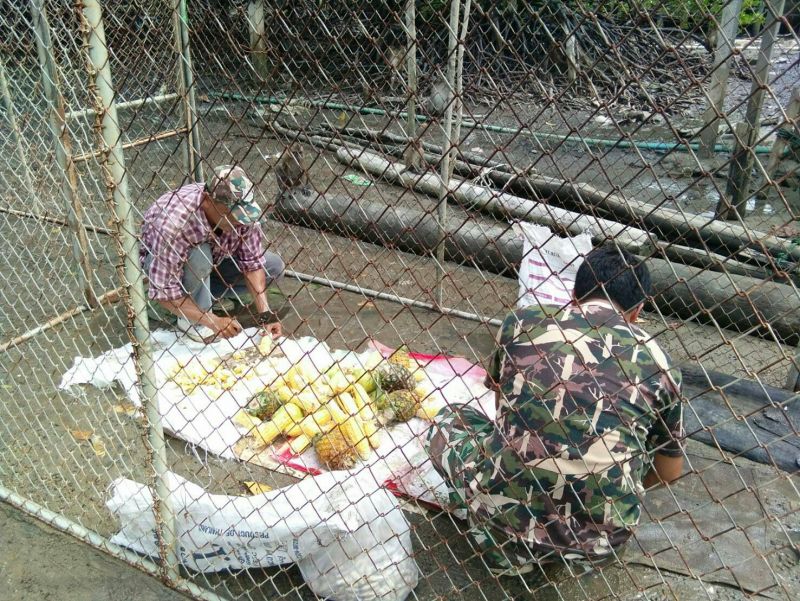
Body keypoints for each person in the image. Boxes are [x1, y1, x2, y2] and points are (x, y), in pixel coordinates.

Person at [425, 246, 684, 580]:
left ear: (574, 296)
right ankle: (571, 541)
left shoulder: (524, 322)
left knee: (449, 419)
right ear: (637, 312)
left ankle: (499, 536)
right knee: (640, 441)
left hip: (501, 523)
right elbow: (669, 472)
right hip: (599, 547)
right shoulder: (661, 365)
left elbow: (496, 390)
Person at [140, 165, 284, 343]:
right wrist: (213, 321)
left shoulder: (243, 214)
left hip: (217, 257)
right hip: (166, 264)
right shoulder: (175, 224)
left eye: (241, 215)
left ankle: (200, 299)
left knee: (273, 267)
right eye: (229, 214)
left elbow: (252, 263)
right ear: (207, 200)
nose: (237, 222)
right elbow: (165, 290)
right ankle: (190, 319)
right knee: (201, 253)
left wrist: (265, 315)